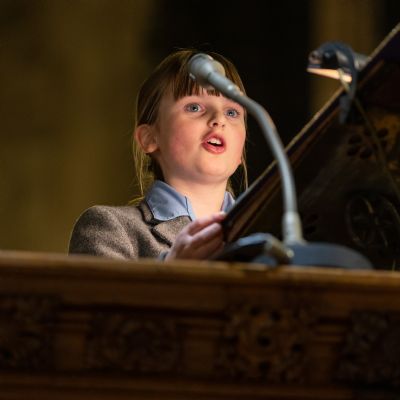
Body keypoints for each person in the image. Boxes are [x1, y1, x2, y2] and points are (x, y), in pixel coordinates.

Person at [68, 49, 248, 261]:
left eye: (232, 112)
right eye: (194, 107)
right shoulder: (110, 226)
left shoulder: (272, 234)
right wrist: (174, 269)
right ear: (149, 138)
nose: (219, 119)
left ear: (241, 152)